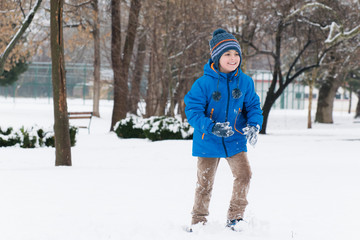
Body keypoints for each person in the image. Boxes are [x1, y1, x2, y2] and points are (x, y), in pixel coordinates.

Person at [184, 28, 263, 231]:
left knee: (244, 175)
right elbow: (192, 111)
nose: (233, 58)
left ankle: (235, 217)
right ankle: (198, 221)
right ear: (217, 57)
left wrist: (254, 125)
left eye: (236, 54)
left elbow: (253, 106)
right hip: (208, 140)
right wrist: (211, 127)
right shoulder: (203, 84)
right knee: (205, 183)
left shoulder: (245, 81)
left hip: (234, 139)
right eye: (227, 54)